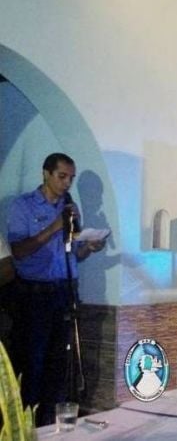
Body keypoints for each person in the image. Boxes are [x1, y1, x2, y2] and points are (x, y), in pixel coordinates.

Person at [6, 153, 106, 426]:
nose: (66, 183)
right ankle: (28, 424)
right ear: (46, 174)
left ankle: (53, 424)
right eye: (62, 176)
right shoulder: (23, 206)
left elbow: (71, 253)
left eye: (71, 178)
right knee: (33, 362)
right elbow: (19, 251)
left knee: (59, 363)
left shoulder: (70, 208)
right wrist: (52, 228)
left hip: (64, 292)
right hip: (33, 294)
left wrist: (88, 246)